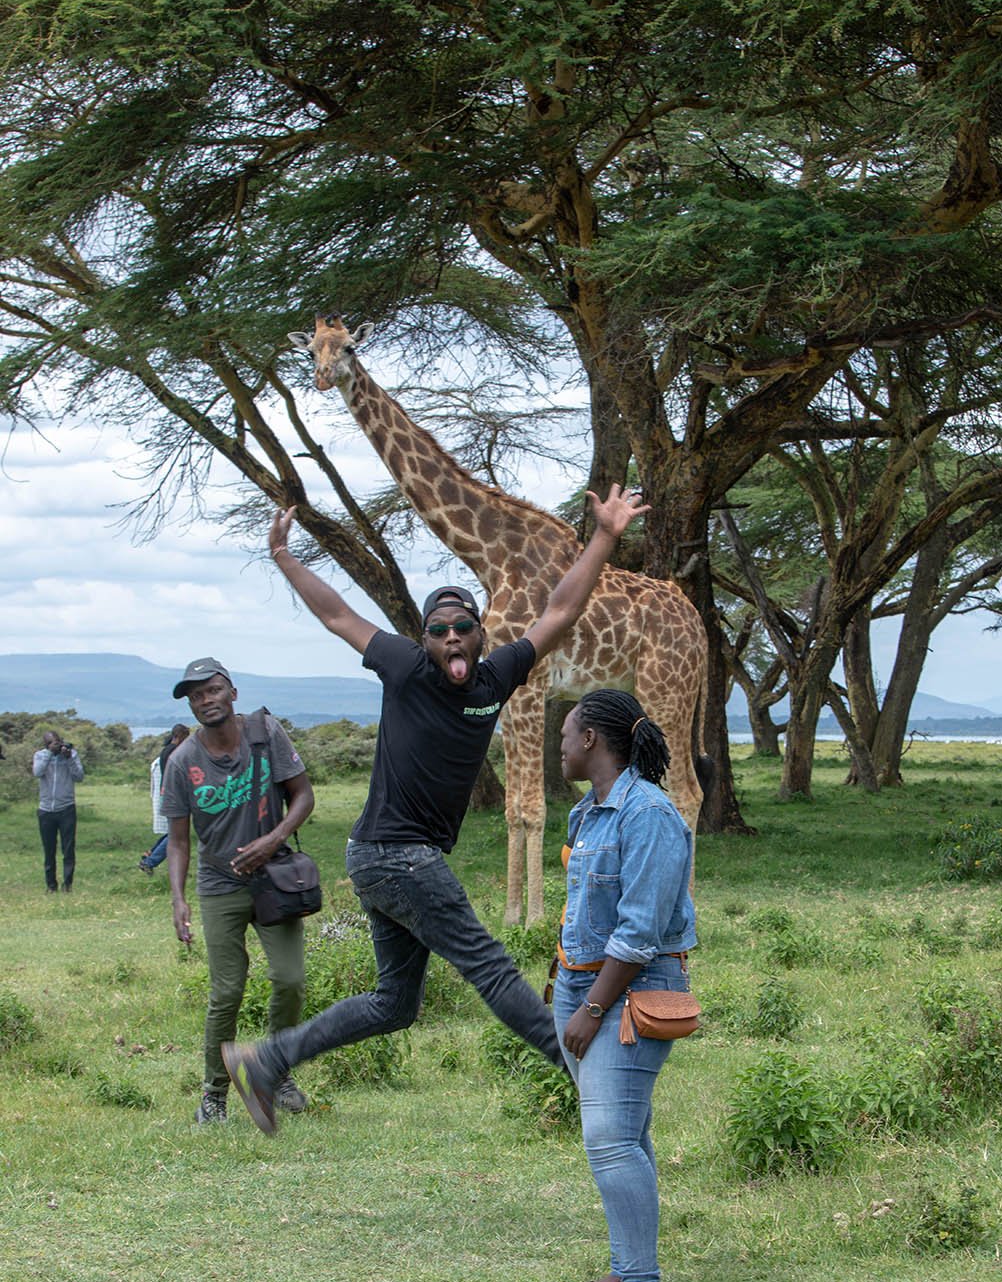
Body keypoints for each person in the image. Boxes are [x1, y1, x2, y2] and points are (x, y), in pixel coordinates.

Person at [221, 485, 649, 1136]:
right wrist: (284, 557)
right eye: (438, 630)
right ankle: (588, 1083)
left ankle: (266, 1060)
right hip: (396, 856)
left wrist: (606, 536)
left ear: (480, 634)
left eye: (462, 628)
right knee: (492, 969)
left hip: (380, 858)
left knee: (395, 1003)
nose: (451, 637)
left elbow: (561, 610)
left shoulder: (496, 677)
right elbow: (338, 615)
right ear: (424, 641)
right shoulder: (404, 668)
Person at [552, 689, 696, 1282]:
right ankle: (624, 1269)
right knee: (623, 1135)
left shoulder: (650, 814)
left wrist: (592, 1006)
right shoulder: (589, 812)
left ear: (591, 740)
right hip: (582, 985)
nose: (559, 746)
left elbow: (640, 931)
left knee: (610, 1138)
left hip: (625, 992)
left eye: (565, 734)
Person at [161, 659, 315, 1125]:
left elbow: (303, 795)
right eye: (196, 696)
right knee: (227, 991)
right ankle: (214, 1094)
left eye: (213, 690)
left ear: (232, 692)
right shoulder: (182, 762)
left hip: (275, 878)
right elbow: (178, 840)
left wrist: (274, 838)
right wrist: (178, 898)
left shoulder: (266, 734)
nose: (205, 700)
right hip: (219, 883)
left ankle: (276, 1071)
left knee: (290, 978)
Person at [33, 730, 85, 893]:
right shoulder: (40, 755)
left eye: (57, 742)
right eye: (51, 743)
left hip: (66, 808)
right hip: (46, 809)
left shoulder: (71, 755)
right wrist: (49, 754)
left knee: (68, 848)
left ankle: (67, 884)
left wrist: (69, 759)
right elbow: (37, 772)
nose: (56, 745)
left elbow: (79, 776)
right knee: (49, 849)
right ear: (46, 745)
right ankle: (51, 885)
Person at [139, 724, 191, 874]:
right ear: (180, 736)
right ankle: (150, 862)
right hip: (174, 796)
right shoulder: (175, 752)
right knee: (176, 835)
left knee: (172, 832)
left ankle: (150, 854)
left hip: (168, 794)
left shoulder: (166, 751)